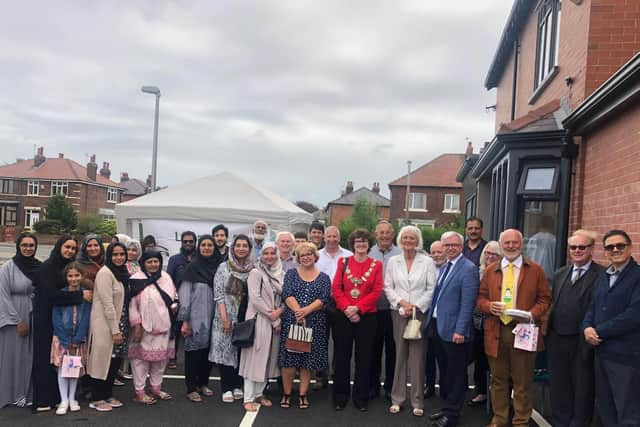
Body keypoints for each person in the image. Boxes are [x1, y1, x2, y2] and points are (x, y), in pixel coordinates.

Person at [476, 229, 551, 427]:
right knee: (498, 379)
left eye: (514, 242)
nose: (511, 246)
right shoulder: (491, 270)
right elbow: (480, 298)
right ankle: (499, 418)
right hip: (496, 330)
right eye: (507, 243)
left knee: (522, 381)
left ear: (521, 244)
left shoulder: (535, 270)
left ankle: (521, 421)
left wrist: (532, 314)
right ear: (501, 245)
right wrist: (488, 306)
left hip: (524, 330)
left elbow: (545, 299)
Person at [583, 229, 640, 427]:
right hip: (601, 354)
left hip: (626, 357)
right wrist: (586, 327)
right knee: (606, 408)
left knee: (628, 413)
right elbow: (592, 307)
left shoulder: (637, 276)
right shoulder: (603, 276)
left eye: (620, 246)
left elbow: (633, 315)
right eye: (610, 247)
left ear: (630, 248)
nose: (615, 250)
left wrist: (598, 331)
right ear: (605, 251)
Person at [547, 230, 602, 427]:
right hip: (557, 340)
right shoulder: (560, 273)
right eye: (573, 247)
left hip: (583, 343)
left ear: (591, 249)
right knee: (559, 388)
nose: (577, 250)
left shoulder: (601, 275)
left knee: (582, 390)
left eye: (582, 247)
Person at [425, 232, 479, 427]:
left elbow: (467, 303)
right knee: (445, 373)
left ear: (461, 246)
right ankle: (446, 407)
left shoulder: (468, 269)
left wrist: (460, 330)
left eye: (454, 245)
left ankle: (453, 415)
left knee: (456, 375)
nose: (450, 248)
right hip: (439, 327)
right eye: (446, 245)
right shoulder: (446, 266)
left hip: (455, 332)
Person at [384, 225, 436, 417]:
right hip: (398, 312)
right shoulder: (392, 261)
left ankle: (417, 400)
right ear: (400, 240)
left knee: (417, 357)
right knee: (400, 355)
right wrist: (401, 303)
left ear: (418, 241)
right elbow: (388, 287)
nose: (408, 241)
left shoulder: (427, 262)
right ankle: (397, 398)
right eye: (405, 238)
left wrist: (414, 306)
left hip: (418, 314)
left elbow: (431, 289)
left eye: (412, 238)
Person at [32, 236, 86, 412]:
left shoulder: (67, 268)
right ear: (59, 247)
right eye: (67, 247)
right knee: (44, 359)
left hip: (65, 319)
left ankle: (60, 398)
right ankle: (43, 400)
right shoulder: (48, 267)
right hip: (46, 318)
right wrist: (80, 296)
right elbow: (51, 296)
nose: (70, 251)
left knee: (60, 361)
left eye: (73, 249)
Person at [331, 229, 383, 412]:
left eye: (364, 241)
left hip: (367, 316)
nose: (361, 244)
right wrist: (347, 308)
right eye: (358, 241)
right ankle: (340, 396)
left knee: (364, 358)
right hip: (343, 316)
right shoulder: (343, 262)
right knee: (342, 357)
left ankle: (361, 397)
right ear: (352, 244)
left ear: (369, 244)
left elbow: (377, 291)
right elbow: (336, 288)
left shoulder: (376, 265)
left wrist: (358, 308)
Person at [278, 242, 331, 409]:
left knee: (307, 362)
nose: (306, 257)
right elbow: (287, 294)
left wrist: (306, 311)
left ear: (315, 256)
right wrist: (298, 312)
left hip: (314, 323)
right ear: (298, 258)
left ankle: (302, 394)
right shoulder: (291, 274)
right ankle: (287, 394)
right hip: (292, 321)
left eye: (309, 254)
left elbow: (324, 299)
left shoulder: (324, 277)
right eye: (302, 255)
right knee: (289, 361)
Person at [239, 242, 284, 412]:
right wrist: (273, 316)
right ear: (261, 255)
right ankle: (248, 397)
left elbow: (286, 297)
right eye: (266, 253)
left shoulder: (282, 274)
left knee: (269, 359)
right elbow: (255, 298)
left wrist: (279, 312)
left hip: (276, 321)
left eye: (273, 253)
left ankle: (259, 393)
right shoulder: (255, 272)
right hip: (260, 320)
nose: (270, 256)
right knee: (254, 359)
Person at [128, 250, 178, 404]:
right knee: (139, 361)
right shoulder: (136, 279)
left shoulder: (166, 277)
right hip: (143, 328)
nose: (153, 264)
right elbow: (131, 305)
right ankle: (140, 391)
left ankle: (156, 388)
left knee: (160, 361)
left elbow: (174, 295)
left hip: (164, 326)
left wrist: (175, 305)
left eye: (156, 261)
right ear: (143, 263)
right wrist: (136, 325)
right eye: (149, 262)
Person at [210, 234, 254, 403]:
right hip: (225, 315)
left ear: (249, 249)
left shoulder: (253, 268)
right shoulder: (223, 267)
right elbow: (219, 295)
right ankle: (226, 387)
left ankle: (237, 385)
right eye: (238, 245)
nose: (241, 248)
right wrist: (225, 319)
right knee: (225, 352)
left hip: (245, 317)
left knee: (240, 352)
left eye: (245, 245)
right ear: (232, 248)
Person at [86, 243, 130, 412]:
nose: (119, 258)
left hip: (121, 323)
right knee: (101, 361)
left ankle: (107, 394)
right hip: (106, 325)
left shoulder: (122, 274)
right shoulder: (105, 273)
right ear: (109, 256)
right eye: (115, 254)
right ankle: (97, 397)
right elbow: (107, 305)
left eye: (121, 254)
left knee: (113, 362)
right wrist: (115, 330)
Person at [178, 235, 222, 402]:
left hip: (214, 319)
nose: (206, 248)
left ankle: (203, 384)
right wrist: (185, 320)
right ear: (198, 247)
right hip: (195, 320)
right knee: (192, 355)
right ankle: (191, 388)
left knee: (207, 354)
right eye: (203, 245)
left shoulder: (218, 267)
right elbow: (184, 295)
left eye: (209, 245)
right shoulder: (192, 267)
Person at [0, 233, 41, 408]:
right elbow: (2, 296)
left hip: (33, 314)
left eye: (31, 245)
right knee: (13, 356)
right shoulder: (8, 267)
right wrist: (17, 321)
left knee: (29, 356)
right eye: (24, 245)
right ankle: (12, 393)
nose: (28, 248)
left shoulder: (38, 267)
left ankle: (25, 392)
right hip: (14, 316)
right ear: (18, 246)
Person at [50, 262, 91, 415]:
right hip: (62, 340)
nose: (73, 278)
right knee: (62, 370)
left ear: (82, 276)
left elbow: (86, 317)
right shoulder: (61, 294)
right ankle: (63, 399)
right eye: (70, 276)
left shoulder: (86, 295)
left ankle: (72, 398)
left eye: (76, 275)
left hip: (78, 340)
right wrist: (65, 340)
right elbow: (56, 318)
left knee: (73, 370)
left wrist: (79, 338)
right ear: (66, 277)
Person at [368, 220, 401, 400]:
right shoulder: (368, 252)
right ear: (375, 234)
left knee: (393, 350)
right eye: (381, 233)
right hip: (372, 311)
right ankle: (372, 385)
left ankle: (390, 386)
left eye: (387, 232)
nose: (384, 236)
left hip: (393, 310)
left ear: (393, 234)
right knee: (373, 349)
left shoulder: (400, 253)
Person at [467, 241, 501, 408]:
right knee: (479, 360)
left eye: (494, 254)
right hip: (477, 324)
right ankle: (481, 391)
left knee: (496, 362)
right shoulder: (476, 272)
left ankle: (499, 396)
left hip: (497, 324)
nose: (489, 257)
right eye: (487, 253)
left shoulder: (503, 273)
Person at [167, 231, 197, 370]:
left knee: (196, 329)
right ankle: (172, 357)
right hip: (179, 301)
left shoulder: (200, 258)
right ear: (182, 243)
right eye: (185, 241)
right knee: (176, 330)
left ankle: (196, 357)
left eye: (191, 241)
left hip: (198, 301)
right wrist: (173, 300)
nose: (188, 244)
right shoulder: (174, 259)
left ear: (195, 243)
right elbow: (169, 281)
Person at [425, 240, 447, 399]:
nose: (437, 255)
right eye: (433, 252)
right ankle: (430, 385)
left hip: (445, 319)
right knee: (428, 355)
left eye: (439, 252)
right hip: (429, 318)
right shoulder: (428, 268)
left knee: (444, 356)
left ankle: (446, 387)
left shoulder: (450, 269)